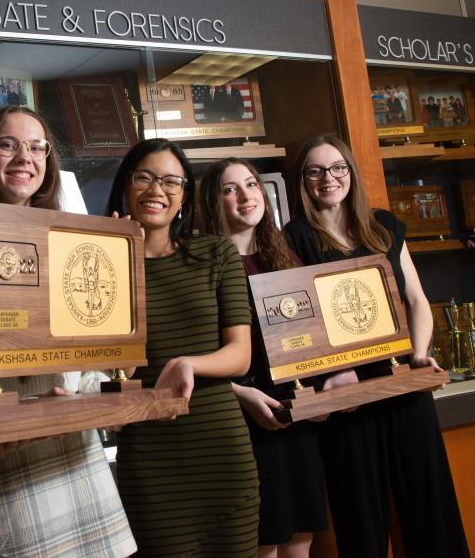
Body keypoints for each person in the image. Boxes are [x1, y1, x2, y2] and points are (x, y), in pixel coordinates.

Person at [0, 105, 137, 558]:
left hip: (79, 458)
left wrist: (110, 369)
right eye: (8, 144)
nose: (26, 157)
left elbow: (91, 364)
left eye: (38, 147)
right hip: (14, 463)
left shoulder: (70, 247)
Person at [283, 134, 468, 558]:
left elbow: (418, 301)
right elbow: (298, 326)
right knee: (361, 524)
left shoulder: (384, 226)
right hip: (347, 399)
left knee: (432, 511)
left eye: (337, 168)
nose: (328, 179)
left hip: (403, 386)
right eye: (315, 171)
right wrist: (330, 372)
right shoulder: (293, 238)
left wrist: (420, 353)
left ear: (350, 173)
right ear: (303, 181)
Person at [106, 139, 259, 557]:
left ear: (184, 197)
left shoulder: (216, 253)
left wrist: (188, 362)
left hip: (221, 452)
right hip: (150, 460)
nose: (157, 190)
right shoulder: (101, 264)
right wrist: (114, 252)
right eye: (145, 177)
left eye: (171, 181)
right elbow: (108, 369)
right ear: (126, 185)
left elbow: (239, 353)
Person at [200, 158, 327, 558]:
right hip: (243, 418)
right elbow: (195, 351)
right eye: (229, 189)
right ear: (213, 203)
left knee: (301, 538)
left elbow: (314, 339)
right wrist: (239, 394)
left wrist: (320, 390)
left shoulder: (285, 256)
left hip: (296, 412)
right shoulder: (203, 264)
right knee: (264, 541)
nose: (244, 196)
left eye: (251, 184)